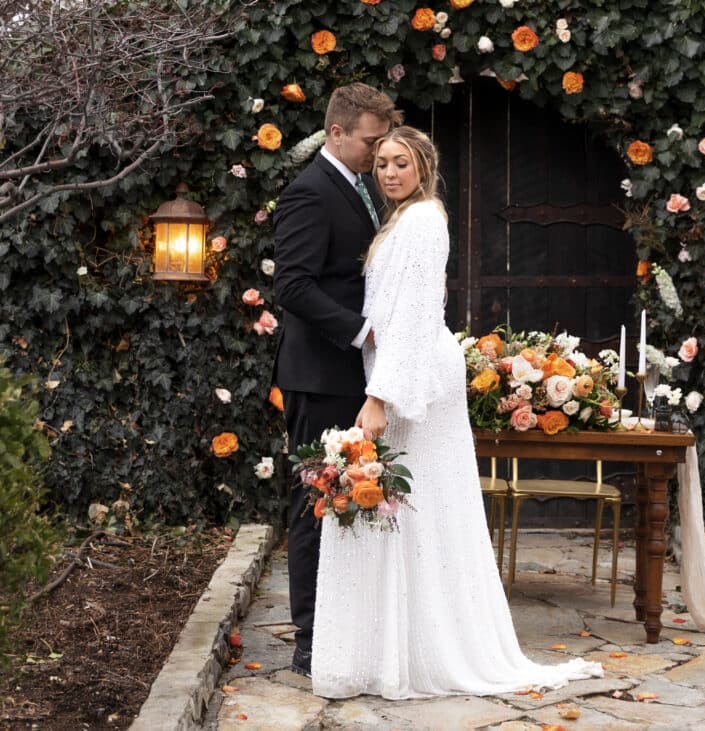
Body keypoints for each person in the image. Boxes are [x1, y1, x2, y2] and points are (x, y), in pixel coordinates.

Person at [311, 126, 603, 698]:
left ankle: (424, 649)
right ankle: (394, 646)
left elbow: (417, 314)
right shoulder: (399, 220)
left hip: (412, 377)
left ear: (423, 165)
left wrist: (380, 397)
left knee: (411, 504)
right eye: (383, 164)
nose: (389, 173)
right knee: (401, 509)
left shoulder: (423, 220)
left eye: (401, 163)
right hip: (397, 368)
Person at [272, 83, 401, 677]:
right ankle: (309, 639)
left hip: (348, 376)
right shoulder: (309, 192)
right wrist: (363, 332)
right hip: (320, 375)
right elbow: (293, 286)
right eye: (371, 143)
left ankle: (340, 626)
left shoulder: (358, 188)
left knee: (348, 502)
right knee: (313, 505)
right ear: (337, 133)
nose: (378, 155)